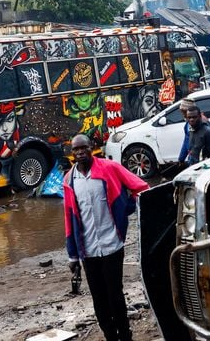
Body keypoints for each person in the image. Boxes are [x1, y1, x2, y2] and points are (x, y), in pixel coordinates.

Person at [63, 134, 150, 341]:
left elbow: (141, 188)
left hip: (112, 244)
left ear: (92, 147)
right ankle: (110, 336)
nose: (80, 152)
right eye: (76, 149)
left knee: (115, 295)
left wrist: (127, 207)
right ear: (72, 153)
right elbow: (69, 217)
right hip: (88, 250)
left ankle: (125, 336)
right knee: (99, 299)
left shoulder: (109, 168)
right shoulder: (69, 180)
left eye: (84, 148)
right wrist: (72, 255)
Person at [177, 99, 210, 166]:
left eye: (184, 112)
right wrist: (181, 159)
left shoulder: (205, 125)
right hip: (193, 161)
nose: (183, 115)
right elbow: (186, 141)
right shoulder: (188, 125)